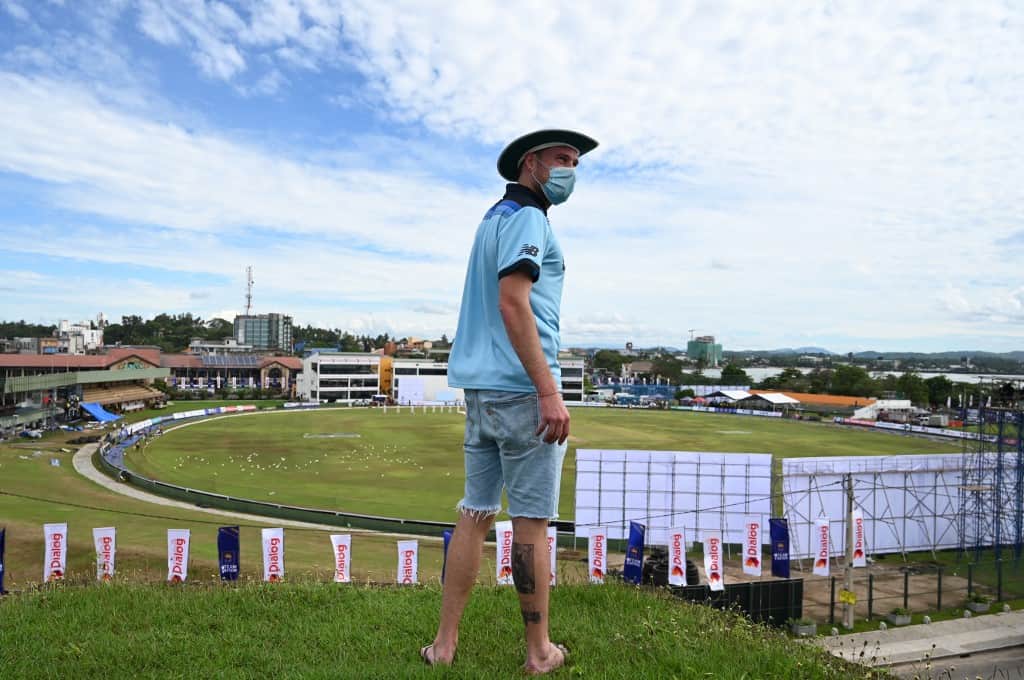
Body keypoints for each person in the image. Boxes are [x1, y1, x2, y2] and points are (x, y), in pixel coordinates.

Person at [421, 129, 598, 674]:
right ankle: (539, 652)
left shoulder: (490, 220)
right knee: (530, 524)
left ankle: (444, 645)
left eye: (575, 161)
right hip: (522, 391)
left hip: (480, 391)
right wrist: (549, 390)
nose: (570, 169)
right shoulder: (529, 219)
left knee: (474, 513)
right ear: (531, 164)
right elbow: (513, 302)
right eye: (561, 158)